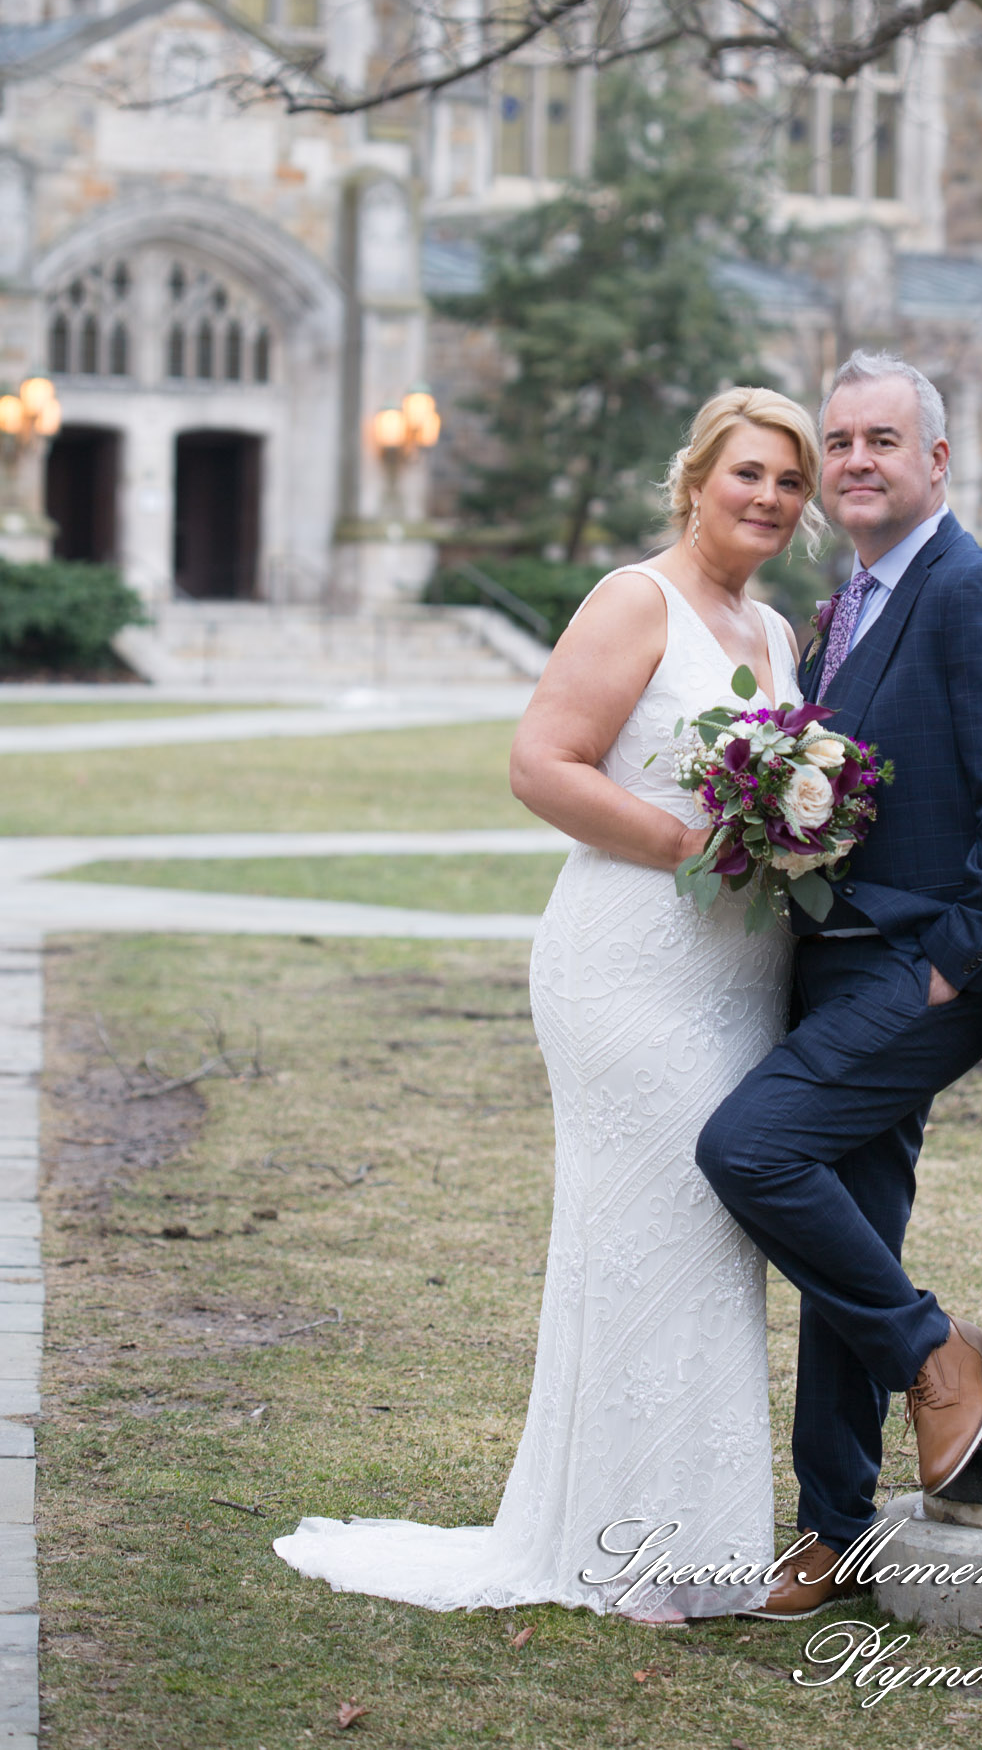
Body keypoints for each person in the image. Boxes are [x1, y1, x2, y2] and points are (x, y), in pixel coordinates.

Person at [273, 386, 819, 1618]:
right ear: (695, 480)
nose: (770, 500)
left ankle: (691, 1537)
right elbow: (541, 764)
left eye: (791, 484)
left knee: (709, 1243)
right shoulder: (639, 600)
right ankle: (634, 1556)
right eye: (748, 474)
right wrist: (690, 845)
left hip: (741, 979)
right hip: (629, 965)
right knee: (648, 1236)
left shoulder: (779, 635)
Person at [695, 350, 982, 1617]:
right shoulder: (840, 611)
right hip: (836, 966)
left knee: (751, 1149)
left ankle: (934, 1349)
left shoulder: (971, 591)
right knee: (847, 1222)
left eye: (879, 441)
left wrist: (948, 970)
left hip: (923, 975)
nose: (855, 461)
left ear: (936, 462)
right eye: (839, 442)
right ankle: (839, 1527)